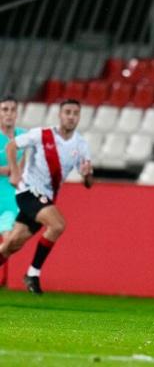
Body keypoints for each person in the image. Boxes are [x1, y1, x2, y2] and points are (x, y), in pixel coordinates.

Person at [0, 99, 94, 294]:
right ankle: (32, 274)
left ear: (79, 117)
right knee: (58, 224)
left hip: (46, 198)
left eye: (75, 113)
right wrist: (16, 172)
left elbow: (88, 183)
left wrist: (87, 175)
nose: (71, 116)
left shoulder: (81, 144)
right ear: (59, 115)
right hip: (28, 192)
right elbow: (11, 146)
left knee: (11, 245)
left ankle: (30, 273)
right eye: (67, 112)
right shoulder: (41, 134)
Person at [0, 95, 27, 285]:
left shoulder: (24, 136)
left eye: (12, 110)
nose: (9, 114)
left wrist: (15, 170)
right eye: (4, 110)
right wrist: (11, 169)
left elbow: (26, 165)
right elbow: (15, 170)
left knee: (10, 240)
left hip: (12, 198)